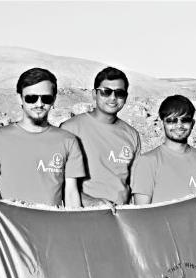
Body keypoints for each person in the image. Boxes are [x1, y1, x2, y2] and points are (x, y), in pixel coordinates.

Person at [0, 67, 84, 208]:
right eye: (31, 98)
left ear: (54, 99)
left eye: (46, 98)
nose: (39, 104)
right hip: (12, 220)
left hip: (53, 221)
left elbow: (71, 192)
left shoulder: (69, 141)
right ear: (20, 98)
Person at [60, 66, 141, 207]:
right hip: (83, 214)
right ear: (94, 94)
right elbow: (57, 182)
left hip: (121, 216)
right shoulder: (70, 129)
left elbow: (135, 184)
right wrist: (91, 202)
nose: (113, 98)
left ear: (125, 97)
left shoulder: (132, 135)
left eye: (119, 93)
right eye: (106, 92)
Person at [131, 95, 196, 205]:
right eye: (171, 120)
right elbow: (141, 212)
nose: (179, 125)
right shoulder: (147, 161)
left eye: (185, 120)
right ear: (162, 123)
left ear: (192, 123)